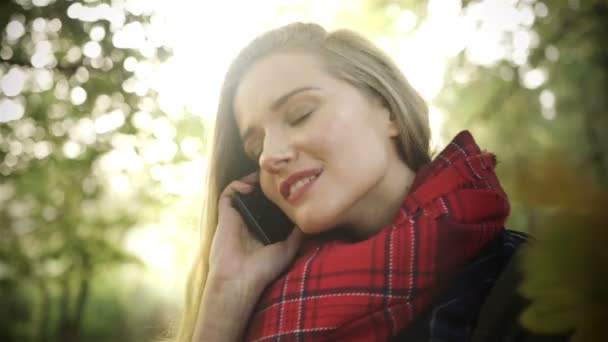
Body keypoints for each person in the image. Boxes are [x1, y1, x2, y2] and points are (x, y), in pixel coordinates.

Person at [175, 23, 569, 342]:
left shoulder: (537, 290)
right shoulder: (265, 308)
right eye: (255, 147)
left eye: (300, 114)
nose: (270, 156)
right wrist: (226, 294)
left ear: (388, 110)